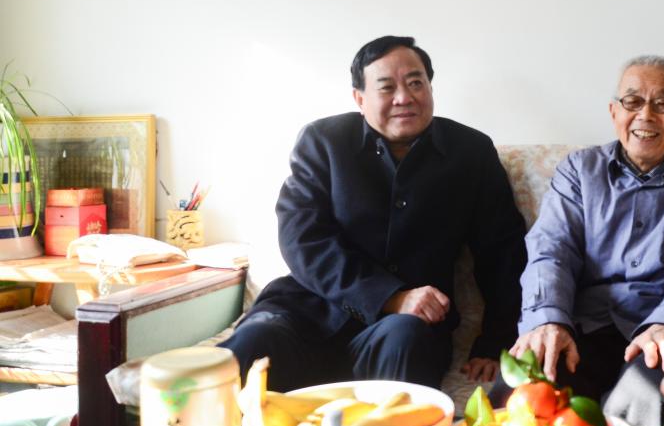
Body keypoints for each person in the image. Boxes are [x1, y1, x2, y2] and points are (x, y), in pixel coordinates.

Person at [221, 36, 527, 391]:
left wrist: (495, 341)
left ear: (430, 88)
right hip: (306, 314)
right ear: (360, 98)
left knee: (406, 339)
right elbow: (303, 239)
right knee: (251, 345)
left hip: (403, 329)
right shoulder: (323, 142)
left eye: (416, 83)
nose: (404, 97)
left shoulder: (471, 152)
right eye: (387, 87)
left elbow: (502, 250)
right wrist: (389, 297)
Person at [494, 55, 664, 426]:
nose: (646, 115)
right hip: (585, 325)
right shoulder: (578, 169)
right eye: (633, 101)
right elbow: (552, 248)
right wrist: (548, 319)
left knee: (648, 408)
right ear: (614, 112)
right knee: (519, 396)